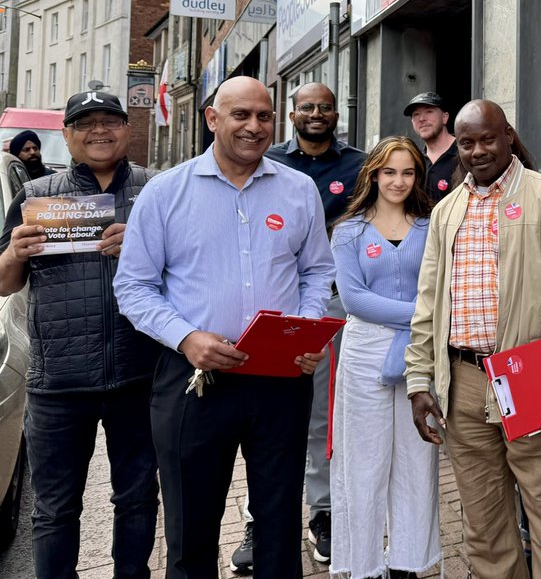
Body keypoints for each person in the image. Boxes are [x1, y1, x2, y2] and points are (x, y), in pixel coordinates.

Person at [114, 77, 337, 579]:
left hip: (280, 378)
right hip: (195, 379)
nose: (254, 126)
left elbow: (316, 271)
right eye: (241, 115)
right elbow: (133, 287)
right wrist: (186, 337)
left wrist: (305, 326)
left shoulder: (298, 189)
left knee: (279, 526)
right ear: (212, 119)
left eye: (264, 116)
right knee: (191, 531)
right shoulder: (165, 192)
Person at [406, 99, 541, 579]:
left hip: (532, 378)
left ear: (508, 135)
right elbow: (428, 302)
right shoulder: (447, 210)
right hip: (463, 383)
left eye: (487, 139)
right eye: (466, 143)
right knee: (484, 528)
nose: (477, 151)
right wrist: (418, 379)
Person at [0, 91, 159, 579]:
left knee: (138, 500)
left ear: (126, 129)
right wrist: (15, 254)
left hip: (140, 376)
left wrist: (144, 247)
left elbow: (193, 272)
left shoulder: (157, 189)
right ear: (67, 135)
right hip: (58, 383)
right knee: (54, 511)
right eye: (85, 123)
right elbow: (5, 283)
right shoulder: (36, 195)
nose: (99, 131)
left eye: (109, 120)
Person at [233, 81, 365, 569]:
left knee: (320, 417)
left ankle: (322, 512)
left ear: (336, 114)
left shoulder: (359, 167)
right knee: (259, 421)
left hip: (330, 306)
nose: (316, 114)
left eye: (324, 107)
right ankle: (259, 519)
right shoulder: (265, 162)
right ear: (291, 115)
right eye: (306, 107)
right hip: (269, 311)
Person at [329, 136, 440, 579]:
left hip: (419, 353)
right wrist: (424, 313)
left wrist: (425, 319)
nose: (398, 181)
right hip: (365, 354)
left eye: (408, 172)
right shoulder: (349, 231)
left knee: (416, 459)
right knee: (363, 461)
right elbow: (354, 300)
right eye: (389, 172)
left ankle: (406, 564)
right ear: (373, 174)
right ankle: (364, 564)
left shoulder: (431, 227)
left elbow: (441, 288)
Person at [404, 92, 456, 203]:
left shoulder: (465, 154)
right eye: (416, 114)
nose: (421, 118)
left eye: (429, 112)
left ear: (444, 117)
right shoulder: (415, 161)